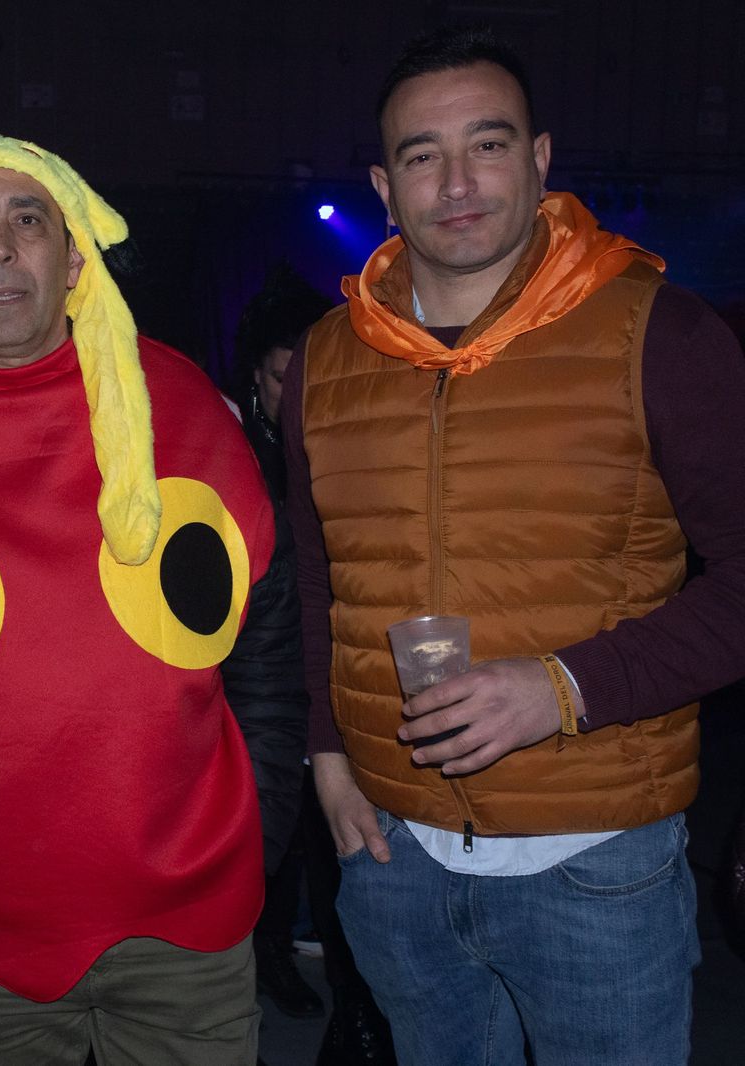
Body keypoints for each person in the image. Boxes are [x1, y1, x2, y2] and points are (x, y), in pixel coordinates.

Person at [283, 27, 745, 1066]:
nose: (454, 183)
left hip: (595, 865)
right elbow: (320, 579)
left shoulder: (656, 334)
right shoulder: (327, 355)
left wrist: (561, 688)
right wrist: (327, 753)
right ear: (381, 185)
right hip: (392, 853)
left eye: (485, 146)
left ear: (539, 161)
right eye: (420, 155)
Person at [0, 135, 303, 1065]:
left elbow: (265, 657)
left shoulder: (180, 402)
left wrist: (256, 842)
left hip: (187, 933)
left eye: (27, 220)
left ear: (75, 259)